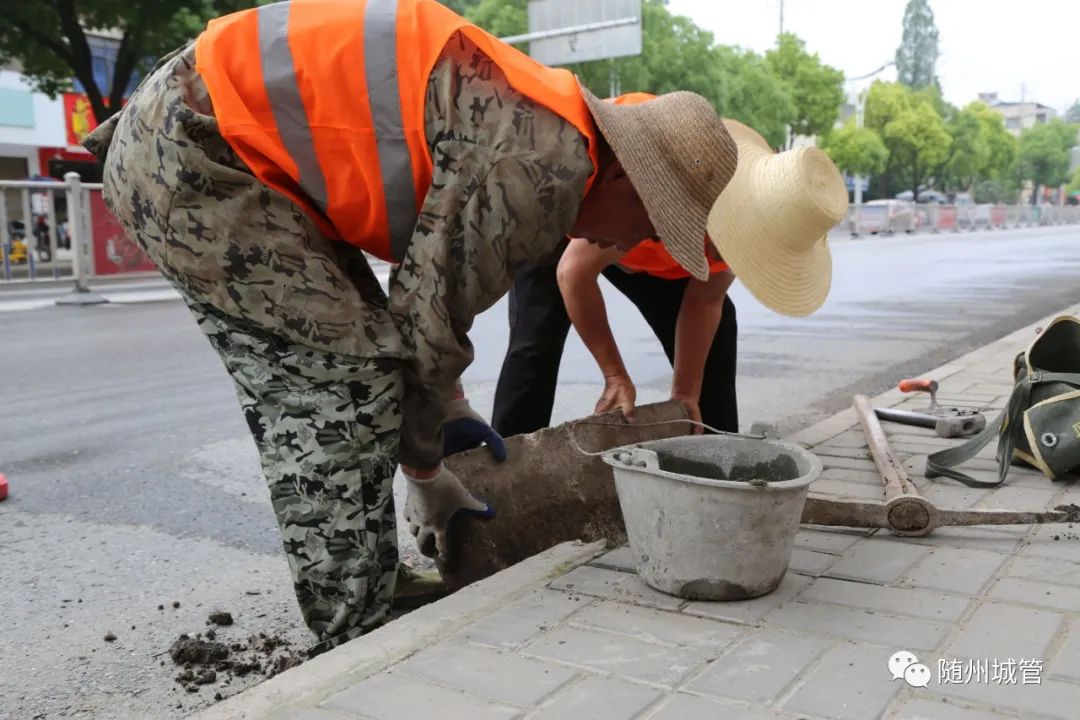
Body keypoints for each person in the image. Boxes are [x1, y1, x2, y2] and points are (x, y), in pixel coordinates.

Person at [81, 0, 738, 655]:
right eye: (650, 224)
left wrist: (446, 408)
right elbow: (431, 323)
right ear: (623, 174)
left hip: (220, 142)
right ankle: (354, 640)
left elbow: (422, 285)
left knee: (368, 360)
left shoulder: (552, 127)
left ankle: (370, 582)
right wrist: (425, 468)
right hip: (199, 155)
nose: (634, 245)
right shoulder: (540, 168)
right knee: (339, 385)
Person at [493, 116, 850, 437]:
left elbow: (705, 300)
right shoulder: (671, 183)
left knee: (718, 333)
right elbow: (573, 273)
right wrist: (615, 375)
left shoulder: (770, 212)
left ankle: (716, 459)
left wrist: (685, 394)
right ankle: (507, 465)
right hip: (593, 204)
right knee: (535, 339)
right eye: (729, 246)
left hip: (656, 244)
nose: (720, 260)